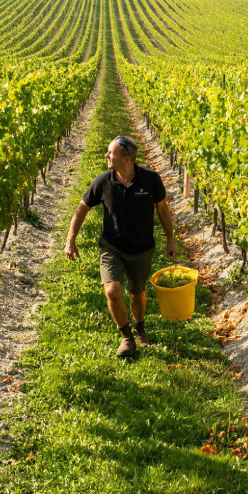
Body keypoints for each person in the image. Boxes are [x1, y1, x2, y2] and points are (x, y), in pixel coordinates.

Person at [64, 135, 176, 358]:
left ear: (126, 160)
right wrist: (71, 240)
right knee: (112, 291)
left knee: (136, 294)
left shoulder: (151, 180)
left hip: (142, 248)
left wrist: (170, 239)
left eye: (111, 152)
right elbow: (82, 208)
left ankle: (140, 329)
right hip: (111, 247)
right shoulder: (103, 182)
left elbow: (162, 210)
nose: (106, 155)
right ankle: (127, 337)